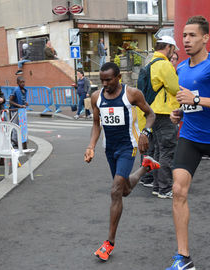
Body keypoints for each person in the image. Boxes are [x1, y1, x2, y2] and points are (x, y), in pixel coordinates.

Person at [167, 15, 210, 270]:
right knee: (179, 190)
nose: (186, 40)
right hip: (189, 137)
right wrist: (179, 113)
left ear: (205, 37)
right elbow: (188, 104)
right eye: (184, 35)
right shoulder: (181, 69)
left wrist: (197, 101)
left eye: (192, 35)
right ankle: (183, 258)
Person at [84, 62, 160, 261]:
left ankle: (109, 243)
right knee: (124, 190)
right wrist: (90, 146)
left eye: (108, 79)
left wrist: (145, 132)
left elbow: (150, 114)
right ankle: (146, 167)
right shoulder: (96, 97)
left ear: (118, 77)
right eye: (102, 80)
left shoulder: (132, 94)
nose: (105, 83)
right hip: (110, 149)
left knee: (116, 190)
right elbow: (96, 124)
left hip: (129, 147)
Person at [143, 36, 180, 199]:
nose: (174, 52)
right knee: (167, 151)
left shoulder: (150, 63)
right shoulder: (164, 64)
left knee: (158, 149)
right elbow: (174, 88)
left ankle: (158, 186)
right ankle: (165, 188)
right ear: (169, 47)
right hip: (164, 112)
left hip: (153, 112)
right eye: (173, 49)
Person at [9, 76, 28, 148]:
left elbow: (22, 100)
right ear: (17, 83)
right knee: (15, 127)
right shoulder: (15, 90)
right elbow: (10, 101)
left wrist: (25, 103)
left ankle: (21, 141)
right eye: (21, 82)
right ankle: (14, 142)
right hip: (15, 111)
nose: (23, 83)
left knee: (22, 127)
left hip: (21, 111)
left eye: (23, 82)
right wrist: (19, 106)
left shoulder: (24, 90)